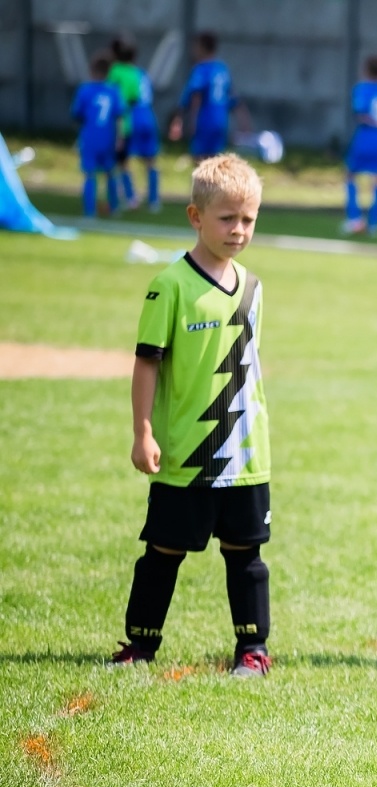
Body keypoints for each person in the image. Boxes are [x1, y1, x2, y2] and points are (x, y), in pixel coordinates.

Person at [109, 154, 274, 678]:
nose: (238, 230)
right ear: (195, 216)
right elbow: (147, 363)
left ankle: (252, 651)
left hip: (246, 454)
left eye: (248, 219)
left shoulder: (253, 286)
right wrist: (143, 432)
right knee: (163, 550)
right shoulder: (169, 286)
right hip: (186, 452)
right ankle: (140, 645)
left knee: (245, 554)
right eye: (227, 218)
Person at [172, 32, 251, 161]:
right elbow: (234, 97)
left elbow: (196, 96)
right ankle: (214, 182)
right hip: (221, 120)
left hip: (204, 119)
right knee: (216, 160)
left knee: (199, 160)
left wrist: (190, 121)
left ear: (201, 47)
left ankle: (202, 182)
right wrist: (244, 121)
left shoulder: (200, 69)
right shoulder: (222, 69)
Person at [343, 54, 377, 236]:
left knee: (350, 175)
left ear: (366, 69)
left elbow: (360, 114)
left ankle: (355, 219)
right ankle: (374, 224)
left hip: (366, 136)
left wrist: (373, 123)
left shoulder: (361, 89)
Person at [107, 36, 161, 212]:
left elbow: (117, 97)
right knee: (150, 161)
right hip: (148, 116)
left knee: (122, 161)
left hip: (131, 118)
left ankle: (130, 198)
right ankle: (154, 200)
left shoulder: (116, 71)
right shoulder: (141, 73)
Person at [70, 52, 124, 217]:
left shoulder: (85, 90)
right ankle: (114, 208)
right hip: (108, 137)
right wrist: (120, 138)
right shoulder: (114, 91)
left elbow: (76, 114)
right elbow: (120, 116)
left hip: (90, 137)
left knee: (90, 174)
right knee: (110, 173)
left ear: (92, 70)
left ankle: (89, 211)